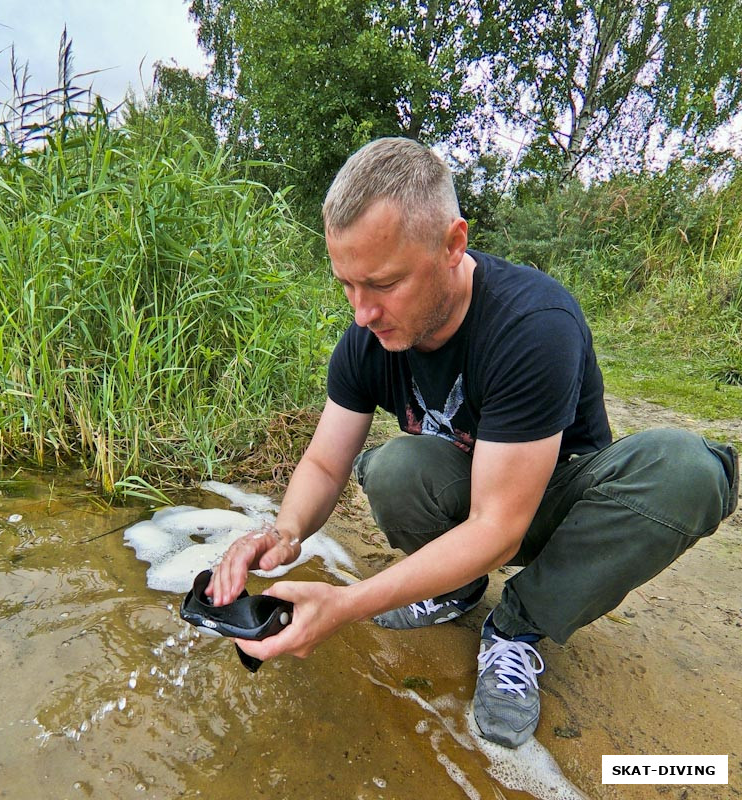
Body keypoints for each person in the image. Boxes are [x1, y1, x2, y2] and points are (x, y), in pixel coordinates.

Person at [207, 137, 738, 748]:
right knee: (394, 465)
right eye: (347, 285)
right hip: (474, 496)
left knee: (687, 471)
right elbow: (326, 462)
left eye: (383, 283)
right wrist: (283, 532)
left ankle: (516, 628)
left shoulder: (533, 325)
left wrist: (345, 603)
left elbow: (498, 527)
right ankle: (449, 588)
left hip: (560, 511)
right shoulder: (367, 339)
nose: (362, 312)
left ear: (453, 244)